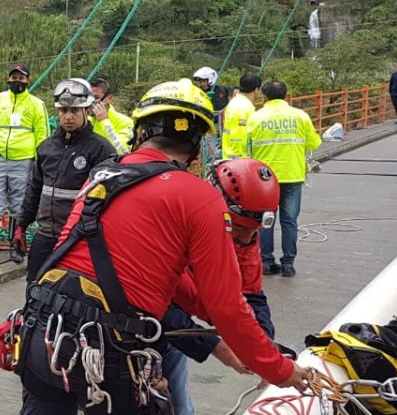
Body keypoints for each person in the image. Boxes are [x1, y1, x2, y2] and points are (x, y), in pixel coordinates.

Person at [17, 80, 307, 414]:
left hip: (42, 331)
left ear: (140, 131)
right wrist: (279, 369)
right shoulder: (200, 198)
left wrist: (244, 342)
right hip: (106, 353)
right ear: (197, 143)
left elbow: (172, 283)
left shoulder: (104, 174)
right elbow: (225, 305)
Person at [161, 158, 286, 415]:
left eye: (255, 232)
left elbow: (251, 293)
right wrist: (215, 346)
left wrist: (264, 344)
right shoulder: (172, 227)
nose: (247, 239)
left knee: (178, 401)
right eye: (241, 229)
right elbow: (159, 306)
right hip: (135, 314)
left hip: (172, 311)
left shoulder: (244, 237)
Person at [15, 78, 116, 282]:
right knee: (34, 287)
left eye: (75, 111)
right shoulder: (46, 147)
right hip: (45, 235)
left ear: (87, 111)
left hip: (78, 239)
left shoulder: (101, 149)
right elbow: (33, 190)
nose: (68, 116)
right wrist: (21, 225)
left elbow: (107, 199)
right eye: (63, 111)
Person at [0, 61, 49, 263]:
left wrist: (39, 162)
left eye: (21, 78)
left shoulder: (36, 104)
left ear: (27, 80)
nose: (17, 81)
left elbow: (42, 134)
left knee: (20, 204)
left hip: (24, 162)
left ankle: (16, 246)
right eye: (14, 77)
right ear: (8, 79)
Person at [246, 80, 321, 278]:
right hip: (292, 174)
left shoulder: (256, 118)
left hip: (265, 178)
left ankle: (267, 262)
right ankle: (288, 264)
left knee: (266, 220)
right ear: (286, 95)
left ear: (264, 96)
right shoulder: (300, 116)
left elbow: (247, 148)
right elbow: (314, 142)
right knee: (290, 221)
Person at [89, 76, 134, 154]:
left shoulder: (126, 123)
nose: (90, 103)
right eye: (88, 98)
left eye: (96, 98)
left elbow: (123, 151)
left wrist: (104, 122)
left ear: (109, 98)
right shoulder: (86, 121)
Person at [222, 73, 261, 159]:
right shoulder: (243, 107)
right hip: (239, 161)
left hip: (230, 157)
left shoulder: (234, 102)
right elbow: (239, 137)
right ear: (256, 90)